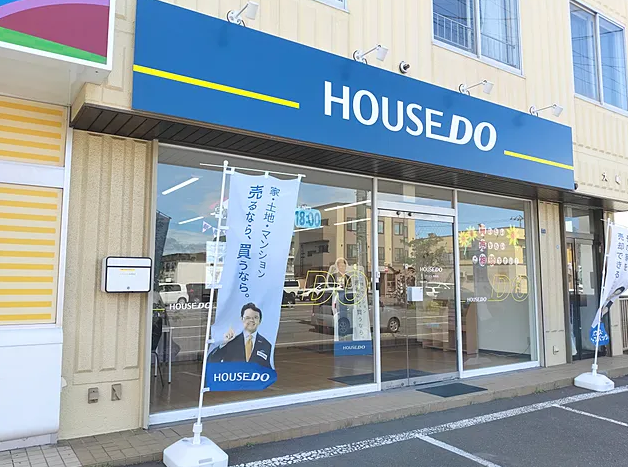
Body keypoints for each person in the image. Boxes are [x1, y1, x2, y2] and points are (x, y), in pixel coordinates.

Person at [208, 302, 273, 368]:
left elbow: (266, 368)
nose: (251, 320)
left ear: (260, 321)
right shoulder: (231, 340)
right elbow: (211, 360)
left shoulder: (266, 345)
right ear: (242, 319)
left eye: (255, 317)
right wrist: (224, 343)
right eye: (247, 317)